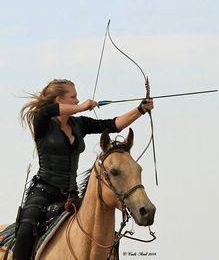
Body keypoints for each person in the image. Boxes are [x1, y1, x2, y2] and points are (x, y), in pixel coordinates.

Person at [12, 78, 153, 260]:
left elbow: (114, 124)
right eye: (74, 97)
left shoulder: (79, 125)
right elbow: (49, 110)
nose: (77, 100)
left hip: (70, 194)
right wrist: (83, 107)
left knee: (104, 236)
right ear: (59, 100)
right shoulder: (43, 120)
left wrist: (140, 110)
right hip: (42, 194)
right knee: (25, 231)